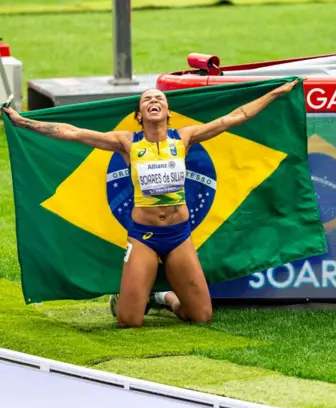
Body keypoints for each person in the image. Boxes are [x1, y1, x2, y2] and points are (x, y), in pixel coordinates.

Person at [1, 78, 301, 328]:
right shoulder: (127, 143)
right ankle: (129, 299)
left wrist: (275, 93)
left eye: (159, 97)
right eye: (146, 100)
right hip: (144, 237)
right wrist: (23, 122)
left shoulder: (183, 138)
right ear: (140, 116)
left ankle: (163, 298)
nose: (153, 100)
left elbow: (234, 117)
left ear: (168, 112)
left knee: (200, 316)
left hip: (179, 235)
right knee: (129, 321)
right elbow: (74, 133)